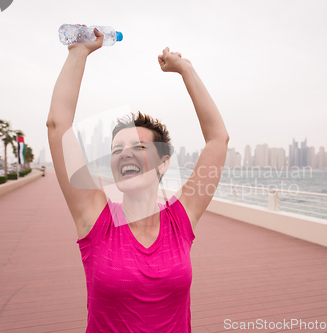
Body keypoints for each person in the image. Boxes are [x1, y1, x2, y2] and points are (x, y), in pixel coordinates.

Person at [47, 28, 229, 332]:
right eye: (117, 149)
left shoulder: (180, 220)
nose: (124, 155)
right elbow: (58, 125)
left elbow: (217, 140)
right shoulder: (96, 219)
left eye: (139, 148)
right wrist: (79, 53)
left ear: (163, 163)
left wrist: (186, 70)